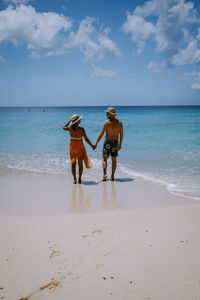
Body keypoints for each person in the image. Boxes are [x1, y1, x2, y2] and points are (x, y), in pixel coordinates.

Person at [63, 114, 94, 184]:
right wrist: (92, 146)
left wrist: (69, 121)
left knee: (73, 164)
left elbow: (63, 127)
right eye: (79, 120)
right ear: (77, 121)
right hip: (80, 147)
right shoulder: (81, 129)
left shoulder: (70, 128)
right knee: (80, 164)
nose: (80, 120)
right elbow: (86, 139)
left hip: (72, 147)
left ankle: (74, 179)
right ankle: (79, 178)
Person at [94, 107, 123, 181]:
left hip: (107, 142)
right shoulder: (119, 123)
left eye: (107, 113)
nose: (106, 114)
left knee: (104, 159)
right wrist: (120, 144)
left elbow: (101, 134)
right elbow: (121, 135)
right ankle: (112, 176)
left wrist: (96, 143)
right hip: (115, 143)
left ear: (111, 114)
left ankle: (104, 175)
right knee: (114, 160)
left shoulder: (106, 123)